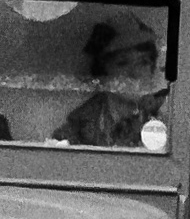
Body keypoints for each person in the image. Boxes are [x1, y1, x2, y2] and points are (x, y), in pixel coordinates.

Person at [52, 12, 168, 147]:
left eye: (143, 62)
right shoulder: (74, 131)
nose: (135, 73)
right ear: (103, 71)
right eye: (122, 63)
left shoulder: (167, 123)